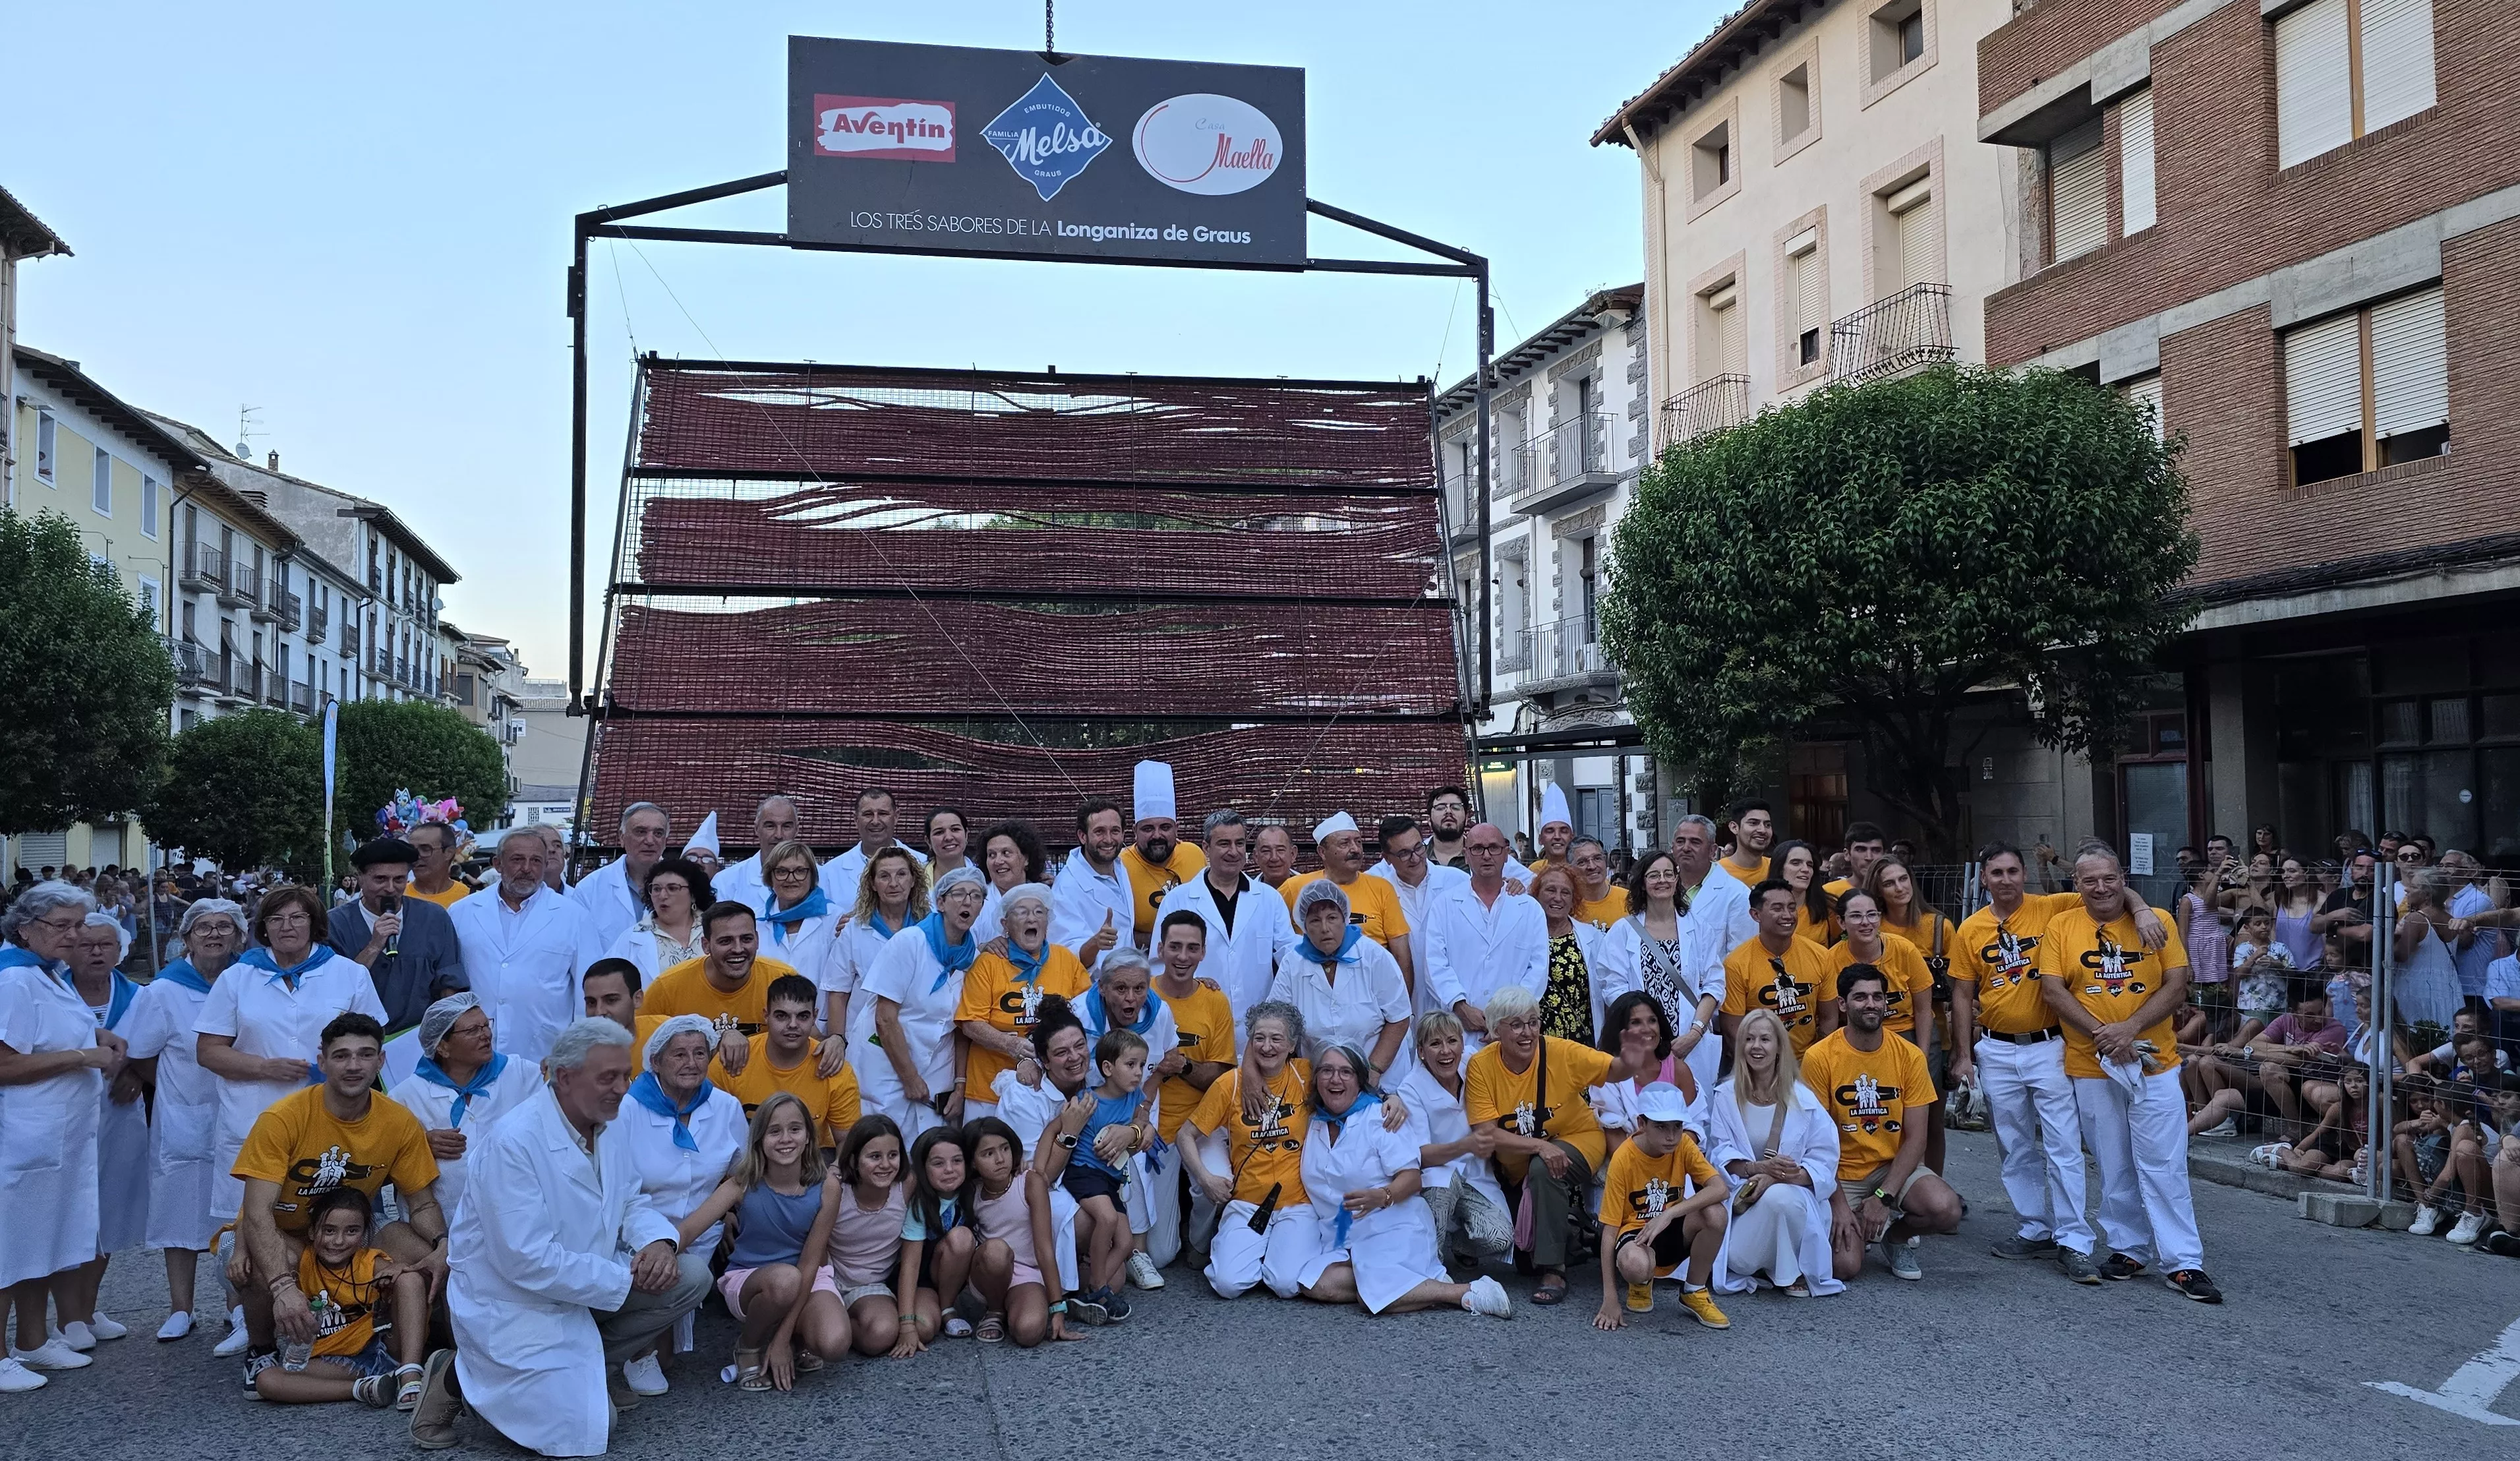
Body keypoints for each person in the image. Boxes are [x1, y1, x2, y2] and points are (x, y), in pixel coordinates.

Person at [414, 1017, 711, 1455]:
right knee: (586, 1431)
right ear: (566, 1078)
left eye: (625, 1075)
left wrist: (656, 1243)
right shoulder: (514, 1142)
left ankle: (594, 1368)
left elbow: (630, 1198)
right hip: (517, 1306)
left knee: (690, 1275)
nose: (622, 1089)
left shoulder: (608, 1123)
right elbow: (525, 1259)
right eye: (607, 1078)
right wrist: (624, 1278)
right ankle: (456, 1375)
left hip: (584, 1284)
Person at [2036, 843, 2222, 1303]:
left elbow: (2177, 984)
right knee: (2113, 1162)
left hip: (2154, 1063)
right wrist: (2104, 1034)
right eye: (2090, 880)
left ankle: (2183, 1262)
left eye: (2109, 878)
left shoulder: (2156, 919)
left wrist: (2130, 1028)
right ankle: (2128, 1248)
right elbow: (2053, 990)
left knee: (2164, 1165)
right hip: (2092, 1065)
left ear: (2123, 878)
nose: (2101, 888)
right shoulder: (2061, 925)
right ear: (2076, 885)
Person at [229, 1013, 445, 1401]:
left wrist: (443, 1245)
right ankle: (261, 1349)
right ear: (323, 1061)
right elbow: (257, 1213)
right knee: (262, 1265)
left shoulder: (398, 1121)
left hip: (353, 1226)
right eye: (342, 1055)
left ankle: (413, 1347)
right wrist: (282, 1287)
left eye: (366, 1055)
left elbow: (422, 1203)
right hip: (284, 1229)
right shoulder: (282, 1119)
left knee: (423, 1256)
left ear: (381, 1061)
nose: (354, 1066)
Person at [195, 885, 389, 1237]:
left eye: (298, 917)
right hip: (253, 1116)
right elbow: (208, 1051)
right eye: (276, 919)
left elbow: (371, 1045)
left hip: (332, 1118)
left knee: (331, 1230)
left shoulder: (349, 974)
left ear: (314, 923)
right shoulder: (237, 977)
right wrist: (264, 1068)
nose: (287, 927)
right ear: (264, 927)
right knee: (250, 1231)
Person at [1463, 984, 1661, 1305]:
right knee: (1522, 1261)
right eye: (1516, 1025)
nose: (1528, 1032)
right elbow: (1486, 1134)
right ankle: (1568, 1235)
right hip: (1519, 1163)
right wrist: (1540, 1146)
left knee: (1545, 1169)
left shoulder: (1560, 1052)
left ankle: (1554, 1270)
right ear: (1496, 1030)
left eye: (1533, 1022)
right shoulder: (1481, 1066)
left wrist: (1631, 1058)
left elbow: (1613, 1071)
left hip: (1579, 1139)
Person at [0, 882, 124, 1386]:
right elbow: (5, 1063)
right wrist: (82, 1056)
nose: (74, 936)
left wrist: (96, 1035)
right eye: (62, 926)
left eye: (79, 925)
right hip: (23, 1136)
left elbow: (44, 1033)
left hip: (58, 1136)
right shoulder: (14, 980)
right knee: (9, 1247)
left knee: (39, 1243)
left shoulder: (47, 973)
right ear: (25, 928)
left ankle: (32, 1342)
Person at [1294, 1042, 1511, 1318]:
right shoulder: (1311, 1121)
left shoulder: (1381, 1117)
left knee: (1370, 1297)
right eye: (1326, 1071)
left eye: (1346, 1072)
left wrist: (1382, 1196)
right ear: (1316, 1080)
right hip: (1344, 1236)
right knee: (1318, 1285)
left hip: (1392, 1225)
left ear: (1360, 1080)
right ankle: (1415, 1285)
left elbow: (1412, 1178)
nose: (1335, 1079)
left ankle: (1466, 1293)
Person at [120, 897, 245, 1342]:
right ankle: (181, 1308)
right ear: (186, 938)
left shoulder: (247, 981)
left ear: (239, 936)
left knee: (236, 1216)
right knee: (179, 1214)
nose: (214, 935)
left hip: (239, 1113)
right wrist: (174, 1091)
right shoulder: (162, 991)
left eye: (224, 927)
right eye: (204, 927)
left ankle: (237, 1307)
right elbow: (140, 1053)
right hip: (183, 1120)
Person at [674, 1092, 846, 1389]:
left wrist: (781, 1340)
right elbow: (689, 1229)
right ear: (759, 1140)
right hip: (751, 1280)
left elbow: (810, 1265)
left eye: (795, 1129)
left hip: (805, 1276)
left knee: (834, 1343)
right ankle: (748, 1346)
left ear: (809, 1136)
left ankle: (788, 1338)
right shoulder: (743, 1183)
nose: (786, 1139)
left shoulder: (827, 1187)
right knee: (784, 1281)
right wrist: (661, 1249)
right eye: (774, 1131)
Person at [1803, 965, 1962, 1282]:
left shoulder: (1909, 1056)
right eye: (1860, 997)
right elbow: (1816, 1143)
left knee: (1946, 1209)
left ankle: (1896, 1238)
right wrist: (1839, 1205)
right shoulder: (1819, 1057)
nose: (1871, 1004)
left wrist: (1883, 1198)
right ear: (1843, 1004)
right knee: (1844, 1267)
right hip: (1840, 1172)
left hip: (1889, 1167)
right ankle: (1855, 1224)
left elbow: (1916, 1139)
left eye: (1878, 997)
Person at [613, 1015, 744, 1400]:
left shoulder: (725, 1107)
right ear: (655, 1062)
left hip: (699, 1236)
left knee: (667, 1359)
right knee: (657, 1354)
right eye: (679, 1054)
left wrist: (729, 1212)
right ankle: (609, 1353)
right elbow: (616, 1190)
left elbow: (745, 1173)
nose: (691, 1063)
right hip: (635, 1238)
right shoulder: (626, 1110)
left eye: (700, 1053)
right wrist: (656, 1239)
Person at [1181, 1001, 1320, 1299]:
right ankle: (1252, 1247)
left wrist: (1391, 1100)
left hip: (1297, 1203)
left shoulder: (1305, 1075)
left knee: (1286, 1285)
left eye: (1276, 1039)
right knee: (1228, 1285)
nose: (1267, 1047)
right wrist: (1205, 1178)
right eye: (1259, 1038)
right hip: (1248, 1202)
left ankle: (1273, 1251)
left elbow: (1349, 1082)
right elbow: (1185, 1136)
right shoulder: (1230, 1084)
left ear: (1293, 1045)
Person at [247, 1187, 430, 1408]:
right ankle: (365, 1388)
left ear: (363, 1234)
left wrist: (398, 1269)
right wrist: (239, 1250)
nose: (338, 1241)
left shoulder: (368, 1262)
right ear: (312, 1232)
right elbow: (258, 1225)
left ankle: (409, 1372)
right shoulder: (304, 1259)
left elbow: (410, 1282)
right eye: (329, 1230)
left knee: (410, 1279)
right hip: (338, 1363)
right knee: (266, 1380)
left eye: (352, 1231)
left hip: (384, 1349)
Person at [1705, 1008, 1843, 1297]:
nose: (1756, 1047)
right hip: (1743, 1204)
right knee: (1738, 1261)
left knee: (1782, 1197)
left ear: (1779, 1047)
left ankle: (1787, 1272)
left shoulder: (1804, 1099)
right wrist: (1758, 1170)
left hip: (1794, 1200)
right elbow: (1717, 1154)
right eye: (1749, 1039)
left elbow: (1825, 1158)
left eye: (1765, 1039)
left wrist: (1780, 1177)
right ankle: (1765, 1263)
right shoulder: (1726, 1096)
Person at [846, 866, 985, 1139]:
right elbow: (885, 1018)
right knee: (881, 1143)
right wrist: (909, 1077)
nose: (968, 902)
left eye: (976, 896)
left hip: (936, 1069)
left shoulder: (973, 958)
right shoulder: (910, 942)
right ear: (941, 903)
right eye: (959, 894)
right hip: (885, 1064)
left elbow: (963, 1026)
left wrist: (960, 1086)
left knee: (929, 1149)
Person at [444, 829, 604, 1063]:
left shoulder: (574, 917)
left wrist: (582, 1054)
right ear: (498, 864)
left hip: (546, 1053)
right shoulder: (462, 912)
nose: (527, 869)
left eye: (536, 861)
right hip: (475, 1051)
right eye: (517, 860)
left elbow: (590, 990)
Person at [61, 913, 146, 1350]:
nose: (96, 952)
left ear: (120, 950)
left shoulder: (139, 996)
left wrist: (137, 1074)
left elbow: (156, 1049)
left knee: (108, 1212)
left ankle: (88, 1309)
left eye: (106, 945)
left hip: (119, 1115)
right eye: (87, 944)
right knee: (70, 1214)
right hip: (64, 1114)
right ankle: (67, 1317)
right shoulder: (53, 993)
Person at [1590, 1080, 1730, 1330]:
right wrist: (1610, 1298)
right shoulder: (1623, 1158)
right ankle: (1640, 1283)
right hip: (1636, 1235)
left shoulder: (1683, 1145)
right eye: (1661, 1126)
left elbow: (1720, 1189)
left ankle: (1694, 1291)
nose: (1671, 1136)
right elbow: (1609, 1232)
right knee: (1636, 1264)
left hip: (1670, 1225)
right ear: (1642, 1124)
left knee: (1716, 1214)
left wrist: (1670, 1214)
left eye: (1677, 1126)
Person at [391, 993, 541, 1221]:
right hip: (439, 1225)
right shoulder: (406, 1096)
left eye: (486, 1025)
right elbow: (383, 1159)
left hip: (515, 1217)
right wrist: (418, 1144)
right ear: (442, 1047)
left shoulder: (520, 1073)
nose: (486, 1034)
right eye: (473, 1030)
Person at [1036, 1029, 1150, 1323]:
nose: (1138, 1072)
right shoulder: (1088, 1099)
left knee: (1126, 1243)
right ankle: (1099, 1288)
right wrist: (1040, 1169)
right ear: (1108, 1068)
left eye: (1142, 1065)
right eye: (1131, 1064)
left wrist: (1139, 1128)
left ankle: (1088, 1294)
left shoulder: (1134, 1095)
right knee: (1108, 1220)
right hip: (1084, 1173)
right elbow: (1053, 1129)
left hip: (1110, 1179)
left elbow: (1142, 1115)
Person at [644, 903, 836, 1079]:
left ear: (757, 940)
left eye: (746, 939)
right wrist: (719, 1040)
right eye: (726, 941)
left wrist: (834, 1042)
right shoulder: (668, 987)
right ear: (706, 945)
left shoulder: (781, 978)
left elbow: (811, 1037)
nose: (738, 949)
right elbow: (643, 1047)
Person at [1143, 912, 1238, 1268]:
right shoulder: (1142, 993)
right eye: (1175, 947)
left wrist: (1181, 1065)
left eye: (1192, 948)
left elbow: (1220, 1075)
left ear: (1203, 953)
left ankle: (1199, 1240)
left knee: (1218, 1183)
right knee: (1160, 1255)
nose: (1183, 956)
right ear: (1160, 949)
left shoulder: (1214, 1000)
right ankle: (1172, 1232)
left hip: (1202, 1124)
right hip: (1154, 1127)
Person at [954, 883, 1088, 1123]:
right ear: (1005, 925)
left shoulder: (1066, 960)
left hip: (1051, 1091)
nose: (1031, 918)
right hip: (988, 1091)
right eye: (1022, 912)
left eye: (1039, 912)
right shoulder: (988, 963)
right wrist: (1011, 1045)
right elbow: (970, 1022)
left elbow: (1085, 1017)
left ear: (1047, 923)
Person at [1155, 810, 1302, 1021]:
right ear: (1206, 848)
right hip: (1196, 1019)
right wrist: (1187, 985)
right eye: (1224, 844)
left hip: (1257, 1024)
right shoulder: (1177, 900)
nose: (1233, 852)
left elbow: (1289, 956)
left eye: (1239, 843)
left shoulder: (1269, 899)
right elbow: (1158, 963)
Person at [1600, 848, 1720, 1095]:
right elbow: (1613, 987)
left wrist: (1695, 1033)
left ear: (1677, 880)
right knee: (1643, 1107)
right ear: (1642, 883)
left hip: (1690, 1041)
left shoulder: (1699, 929)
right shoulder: (1623, 931)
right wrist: (1643, 1029)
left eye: (1668, 874)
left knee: (1693, 1106)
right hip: (1640, 1041)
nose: (1662, 880)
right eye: (1654, 875)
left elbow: (1714, 984)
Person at [1396, 1009, 1510, 1269]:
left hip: (1477, 1177)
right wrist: (1465, 1145)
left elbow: (1501, 1053)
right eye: (1435, 1044)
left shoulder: (1470, 1061)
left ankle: (1458, 1243)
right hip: (1437, 1177)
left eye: (1452, 1041)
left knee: (1501, 1238)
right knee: (1441, 1185)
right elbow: (1421, 1155)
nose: (1446, 1051)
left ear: (1462, 1043)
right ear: (1421, 1051)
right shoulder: (1410, 1088)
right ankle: (1429, 1267)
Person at [1422, 822, 1548, 1054]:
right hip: (1458, 1029)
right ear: (1466, 854)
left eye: (1494, 848)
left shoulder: (1530, 909)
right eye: (1478, 849)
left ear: (1506, 853)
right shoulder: (1444, 905)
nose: (1487, 855)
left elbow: (1538, 969)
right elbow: (1435, 963)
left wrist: (1507, 1018)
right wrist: (1460, 1006)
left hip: (1513, 1030)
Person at [1268, 879, 1412, 1078]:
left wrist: (1374, 1070)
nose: (1325, 928)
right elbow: (1275, 1022)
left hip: (1382, 1077)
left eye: (1332, 918)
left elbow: (1399, 1018)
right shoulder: (1293, 964)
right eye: (1315, 921)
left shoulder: (1374, 956)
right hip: (1323, 1081)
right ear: (1304, 926)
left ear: (1345, 919)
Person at [329, 837, 467, 1036]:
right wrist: (374, 945)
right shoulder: (335, 924)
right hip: (355, 1039)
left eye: (399, 880)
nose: (390, 888)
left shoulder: (434, 918)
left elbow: (450, 985)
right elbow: (334, 990)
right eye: (380, 879)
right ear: (360, 878)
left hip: (418, 1037)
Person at [962, 1117, 1075, 1346]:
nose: (1000, 1159)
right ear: (972, 1162)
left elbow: (1044, 1248)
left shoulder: (1029, 1182)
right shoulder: (970, 1190)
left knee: (1029, 1332)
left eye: (1005, 1149)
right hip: (989, 1270)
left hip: (1026, 1272)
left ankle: (1014, 1307)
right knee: (996, 1251)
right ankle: (995, 1311)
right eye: (988, 1154)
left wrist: (1057, 1308)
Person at [713, 974, 864, 1147]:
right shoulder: (734, 1059)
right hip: (744, 1159)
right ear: (766, 1016)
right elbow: (707, 1132)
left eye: (802, 1016)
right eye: (782, 1016)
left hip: (813, 1158)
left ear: (814, 1017)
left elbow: (848, 1142)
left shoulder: (832, 1067)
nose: (793, 1025)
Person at [1282, 812, 1415, 995]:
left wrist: (1402, 1003)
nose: (1355, 849)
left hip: (1372, 994)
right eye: (1344, 843)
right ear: (1322, 852)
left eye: (1358, 842)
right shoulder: (1295, 888)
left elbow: (1401, 954)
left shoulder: (1382, 888)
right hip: (1312, 992)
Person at [821, 845, 928, 1049]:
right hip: (864, 1044)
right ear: (872, 884)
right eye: (884, 876)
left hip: (918, 1041)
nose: (894, 883)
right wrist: (838, 1040)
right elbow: (838, 992)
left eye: (901, 874)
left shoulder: (931, 928)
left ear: (914, 880)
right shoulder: (853, 930)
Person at [820, 1115, 911, 1353]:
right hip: (828, 1279)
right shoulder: (837, 1190)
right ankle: (829, 1326)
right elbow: (814, 1246)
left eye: (893, 1155)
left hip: (871, 1285)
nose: (885, 1164)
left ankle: (840, 1326)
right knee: (828, 1338)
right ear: (854, 1160)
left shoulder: (906, 1186)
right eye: (875, 1157)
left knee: (882, 1334)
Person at [1720, 880, 1838, 1056]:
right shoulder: (1736, 964)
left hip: (1806, 1059)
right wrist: (1760, 1062)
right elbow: (1733, 1030)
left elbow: (1830, 1018)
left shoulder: (1820, 955)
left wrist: (1815, 1059)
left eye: (1792, 908)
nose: (1788, 915)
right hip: (1758, 1060)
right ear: (1756, 915)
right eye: (1777, 909)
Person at [1366, 812, 1467, 990]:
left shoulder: (1457, 881)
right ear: (1387, 858)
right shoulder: (1377, 891)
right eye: (1404, 853)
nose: (1415, 858)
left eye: (1419, 848)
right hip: (1403, 993)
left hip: (1455, 990)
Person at [898, 1127, 978, 1345]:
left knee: (962, 1238)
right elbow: (910, 1265)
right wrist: (906, 1324)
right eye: (938, 1163)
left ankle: (947, 1308)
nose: (949, 1170)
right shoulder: (920, 1203)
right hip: (923, 1279)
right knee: (923, 1329)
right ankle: (930, 1307)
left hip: (958, 1271)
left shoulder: (974, 1190)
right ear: (923, 1168)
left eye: (957, 1161)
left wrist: (1020, 1165)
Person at [1529, 865, 1624, 1046]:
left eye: (1565, 893)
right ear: (1537, 895)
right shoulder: (1524, 936)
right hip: (1534, 1044)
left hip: (1581, 1045)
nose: (1558, 898)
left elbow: (1608, 989)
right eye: (1550, 890)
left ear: (1574, 900)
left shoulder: (1594, 938)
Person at [1117, 760, 1208, 949]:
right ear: (1135, 831)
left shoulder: (1194, 855)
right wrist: (1170, 944)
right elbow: (1120, 932)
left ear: (1176, 829)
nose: (1157, 835)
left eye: (1165, 827)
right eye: (1148, 828)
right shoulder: (1120, 866)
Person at [568, 802, 672, 950]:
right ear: (622, 838)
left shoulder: (684, 887)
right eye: (641, 832)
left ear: (665, 842)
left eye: (658, 833)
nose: (650, 841)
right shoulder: (590, 889)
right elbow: (581, 949)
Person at [751, 839, 843, 997]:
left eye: (800, 871)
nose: (791, 879)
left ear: (812, 876)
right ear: (770, 877)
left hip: (819, 1011)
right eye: (782, 871)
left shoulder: (835, 919)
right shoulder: (754, 921)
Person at [601, 856, 711, 984]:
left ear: (693, 895)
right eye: (657, 889)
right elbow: (607, 984)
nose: (662, 896)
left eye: (672, 888)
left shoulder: (713, 929)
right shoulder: (631, 939)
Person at [1050, 798, 1133, 967]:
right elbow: (1067, 953)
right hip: (1095, 981)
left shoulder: (1120, 866)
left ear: (1123, 834)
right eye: (1099, 832)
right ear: (1083, 836)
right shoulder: (1066, 887)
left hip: (1130, 974)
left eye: (1115, 831)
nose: (1108, 840)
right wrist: (1095, 943)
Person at [821, 787, 927, 913]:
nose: (875, 821)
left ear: (896, 817)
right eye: (868, 814)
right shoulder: (829, 873)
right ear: (856, 819)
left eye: (883, 814)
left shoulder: (924, 864)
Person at [710, 795, 804, 914]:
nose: (779, 835)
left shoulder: (820, 877)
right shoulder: (726, 881)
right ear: (756, 828)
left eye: (786, 826)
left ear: (797, 829)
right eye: (770, 826)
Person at [970, 820, 1045, 946]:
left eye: (1006, 853)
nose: (998, 861)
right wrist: (983, 950)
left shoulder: (1045, 899)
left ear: (1026, 859)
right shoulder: (975, 902)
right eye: (992, 855)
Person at [403, 822, 473, 911]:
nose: (416, 856)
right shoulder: (399, 897)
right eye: (412, 850)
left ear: (449, 853)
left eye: (425, 849)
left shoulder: (468, 898)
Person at [1566, 837, 1630, 932]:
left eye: (1597, 858)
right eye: (1582, 862)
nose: (1592, 866)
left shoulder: (1629, 900)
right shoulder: (1566, 905)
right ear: (1570, 869)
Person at [1715, 800, 1775, 887]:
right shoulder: (1717, 872)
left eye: (1768, 825)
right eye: (1753, 823)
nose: (1763, 830)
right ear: (1734, 828)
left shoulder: (1777, 868)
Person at [922, 806, 976, 882]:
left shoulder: (985, 878)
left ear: (966, 835)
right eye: (939, 832)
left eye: (955, 829)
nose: (949, 838)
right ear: (928, 841)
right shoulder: (914, 880)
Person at [1530, 783, 1574, 874]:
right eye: (1550, 831)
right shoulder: (1534, 871)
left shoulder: (1584, 871)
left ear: (1572, 837)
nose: (1557, 836)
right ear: (1540, 839)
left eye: (1564, 831)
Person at [1252, 823, 1301, 891]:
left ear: (1293, 854)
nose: (1274, 858)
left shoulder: (1309, 889)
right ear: (1256, 856)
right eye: (1266, 851)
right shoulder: (1246, 894)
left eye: (1280, 850)